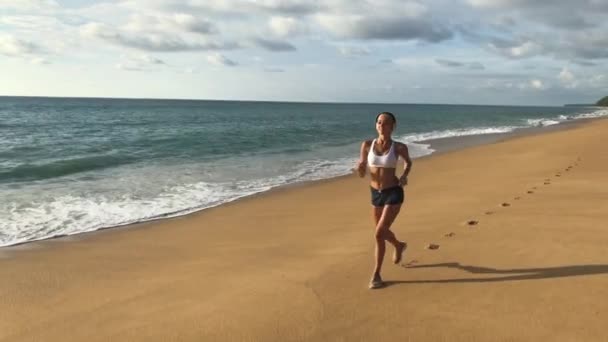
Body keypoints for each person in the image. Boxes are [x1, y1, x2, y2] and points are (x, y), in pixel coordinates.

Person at [356, 112, 412, 289]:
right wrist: (360, 168)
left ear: (393, 127)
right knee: (381, 234)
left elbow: (408, 163)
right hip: (375, 193)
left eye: (386, 123)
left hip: (393, 192)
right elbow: (362, 173)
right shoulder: (366, 145)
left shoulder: (399, 147)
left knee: (379, 233)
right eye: (379, 122)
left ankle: (376, 274)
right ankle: (399, 245)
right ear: (376, 125)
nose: (382, 125)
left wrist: (403, 176)